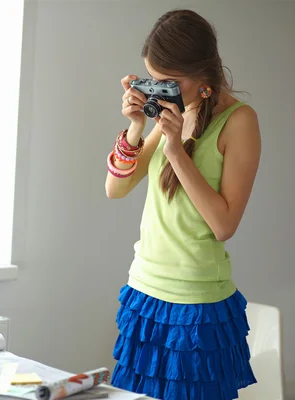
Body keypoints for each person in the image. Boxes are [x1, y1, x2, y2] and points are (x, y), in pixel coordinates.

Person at [104, 9, 261, 400]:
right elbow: (115, 189)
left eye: (168, 81)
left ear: (203, 72)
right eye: (153, 79)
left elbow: (224, 225)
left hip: (198, 305)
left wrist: (175, 150)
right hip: (144, 293)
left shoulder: (239, 122)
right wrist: (138, 125)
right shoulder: (173, 111)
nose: (159, 89)